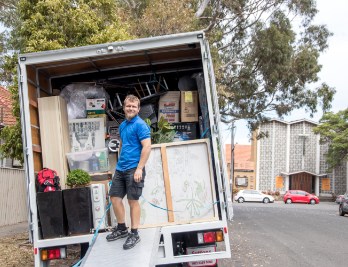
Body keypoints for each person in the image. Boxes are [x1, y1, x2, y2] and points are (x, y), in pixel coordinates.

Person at [106, 94, 151, 250]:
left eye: (134, 106)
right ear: (124, 108)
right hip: (121, 168)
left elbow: (147, 147)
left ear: (138, 109)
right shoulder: (123, 125)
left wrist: (139, 168)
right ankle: (121, 228)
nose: (130, 108)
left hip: (134, 169)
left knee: (133, 201)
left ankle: (134, 233)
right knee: (115, 198)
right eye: (128, 106)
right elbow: (124, 145)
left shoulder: (141, 125)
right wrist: (119, 163)